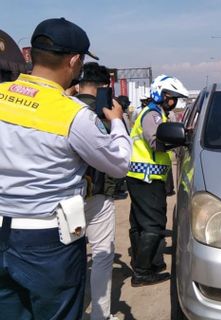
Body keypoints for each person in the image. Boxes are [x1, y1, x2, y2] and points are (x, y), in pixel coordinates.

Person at [0, 18, 131, 320]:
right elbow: (119, 164)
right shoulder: (73, 115)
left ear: (31, 54)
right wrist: (117, 123)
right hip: (48, 242)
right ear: (74, 61)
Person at [75, 62, 127, 320]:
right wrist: (117, 121)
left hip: (64, 200)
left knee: (68, 257)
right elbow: (119, 161)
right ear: (106, 86)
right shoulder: (104, 114)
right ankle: (100, 315)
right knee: (103, 254)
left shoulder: (65, 107)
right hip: (96, 195)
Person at [126, 74, 188, 287]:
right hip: (147, 178)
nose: (174, 102)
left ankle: (145, 262)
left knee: (140, 224)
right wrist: (180, 140)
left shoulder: (156, 113)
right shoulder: (152, 114)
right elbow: (156, 142)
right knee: (153, 225)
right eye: (171, 98)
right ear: (161, 94)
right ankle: (143, 272)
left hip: (142, 177)